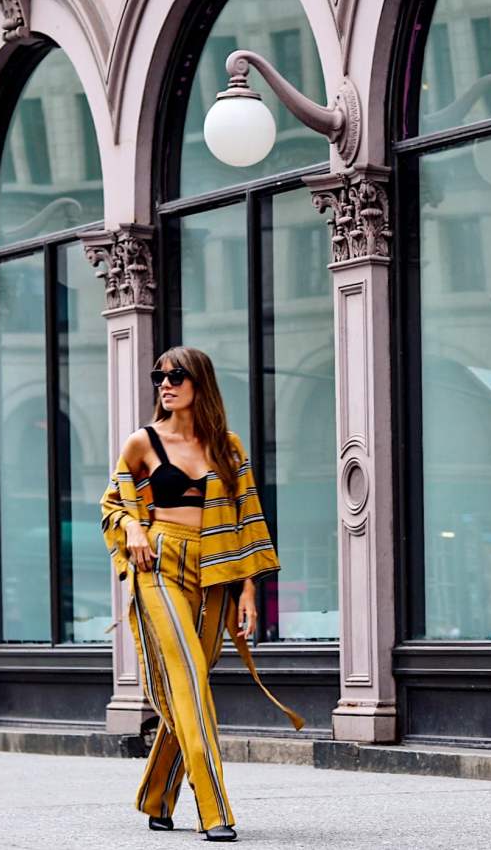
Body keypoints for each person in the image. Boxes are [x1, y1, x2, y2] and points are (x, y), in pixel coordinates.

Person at [100, 346, 303, 842]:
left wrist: (247, 589)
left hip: (216, 571)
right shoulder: (143, 442)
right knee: (188, 674)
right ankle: (214, 808)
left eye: (176, 376)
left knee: (191, 680)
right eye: (159, 377)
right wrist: (134, 528)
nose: (165, 385)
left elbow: (247, 518)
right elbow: (112, 504)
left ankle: (156, 795)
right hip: (160, 564)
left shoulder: (228, 447)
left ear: (200, 383)